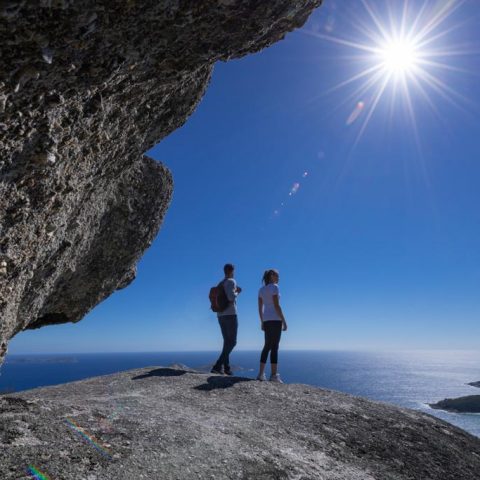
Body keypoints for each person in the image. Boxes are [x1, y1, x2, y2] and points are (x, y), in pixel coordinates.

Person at [257, 269, 287, 383]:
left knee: (267, 346)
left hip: (267, 320)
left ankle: (260, 374)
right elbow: (277, 306)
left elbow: (260, 308)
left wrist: (262, 321)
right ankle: (274, 375)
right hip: (275, 319)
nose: (279, 278)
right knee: (275, 347)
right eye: (277, 276)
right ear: (272, 276)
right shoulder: (275, 287)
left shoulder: (261, 290)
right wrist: (284, 321)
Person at [211, 263, 242, 375]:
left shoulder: (220, 283)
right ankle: (217, 366)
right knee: (232, 342)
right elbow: (231, 297)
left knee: (226, 342)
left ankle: (227, 368)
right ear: (232, 271)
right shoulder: (231, 281)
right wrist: (238, 292)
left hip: (220, 315)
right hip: (230, 314)